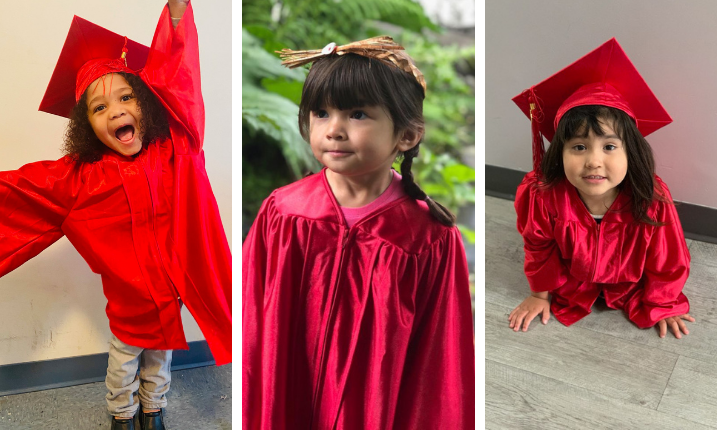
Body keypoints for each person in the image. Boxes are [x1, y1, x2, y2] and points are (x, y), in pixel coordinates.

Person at [0, 0, 231, 429]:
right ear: (86, 126)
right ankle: (122, 414)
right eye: (99, 107)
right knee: (123, 363)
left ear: (148, 103)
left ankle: (153, 409)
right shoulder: (79, 178)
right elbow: (18, 191)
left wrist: (178, 8)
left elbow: (181, 79)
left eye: (126, 96)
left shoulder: (176, 152)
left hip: (169, 296)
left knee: (161, 358)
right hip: (127, 305)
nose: (117, 111)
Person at [242, 37, 475, 429]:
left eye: (358, 115)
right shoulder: (285, 214)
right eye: (321, 112)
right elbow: (252, 325)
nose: (333, 129)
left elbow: (440, 361)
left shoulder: (427, 238)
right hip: (284, 399)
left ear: (407, 135)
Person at [508, 38, 693, 339]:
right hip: (573, 282)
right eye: (579, 147)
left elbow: (668, 257)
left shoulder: (650, 197)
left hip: (630, 284)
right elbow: (538, 248)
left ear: (631, 152)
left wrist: (664, 304)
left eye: (609, 146)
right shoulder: (544, 195)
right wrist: (540, 296)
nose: (594, 161)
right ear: (560, 153)